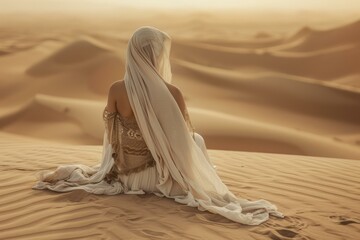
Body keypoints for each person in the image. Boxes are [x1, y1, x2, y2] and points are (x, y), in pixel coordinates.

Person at [33, 26, 283, 225]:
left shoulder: (117, 90)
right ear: (156, 55)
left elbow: (111, 138)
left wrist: (112, 169)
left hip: (126, 178)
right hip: (160, 181)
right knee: (197, 140)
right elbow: (182, 144)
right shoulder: (172, 93)